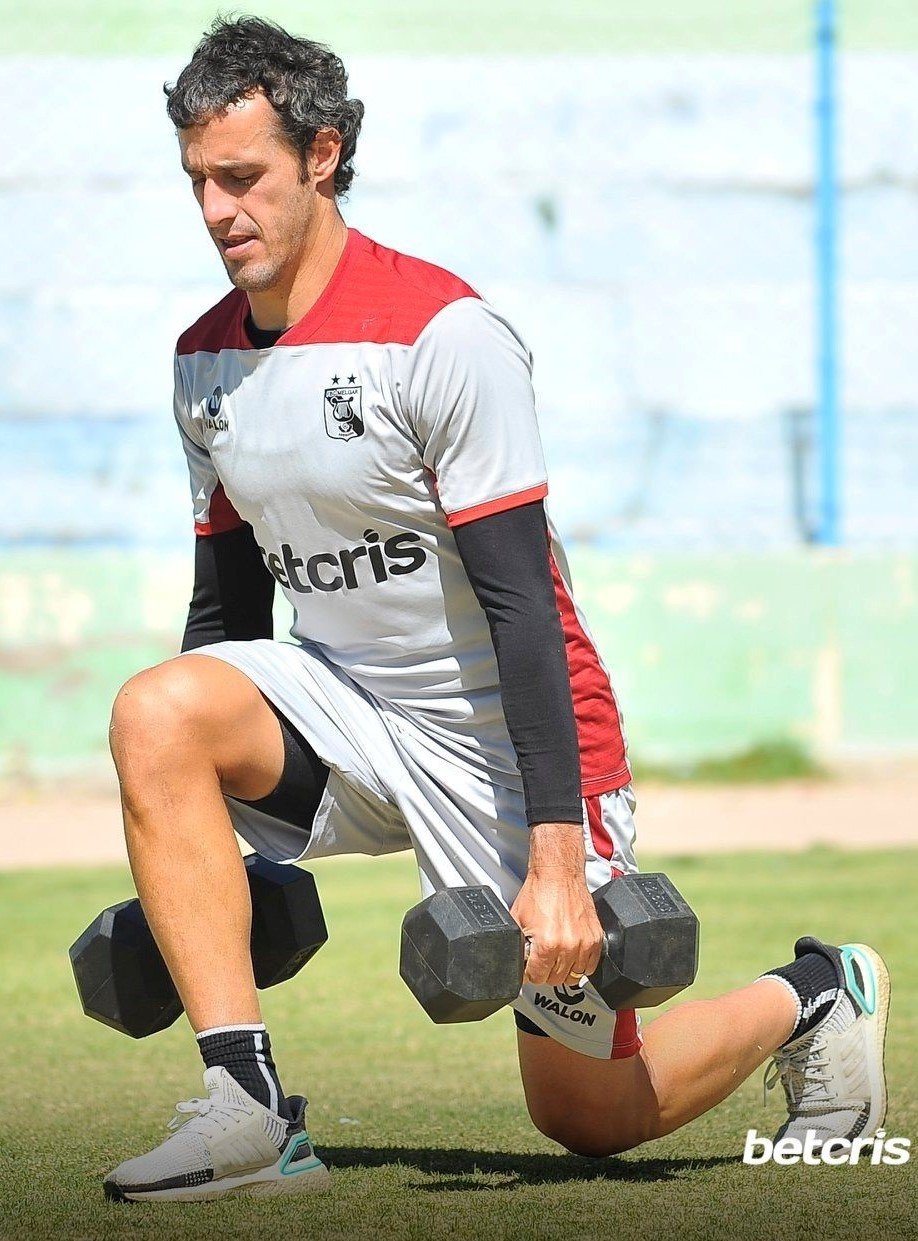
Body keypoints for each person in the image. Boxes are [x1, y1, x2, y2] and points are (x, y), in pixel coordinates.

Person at [103, 17, 890, 1202]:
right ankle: (249, 1110)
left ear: (322, 156)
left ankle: (819, 991)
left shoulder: (443, 335)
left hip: (509, 742)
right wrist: (225, 860)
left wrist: (557, 860)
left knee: (590, 1115)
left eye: (243, 176)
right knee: (157, 708)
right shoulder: (203, 362)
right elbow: (228, 609)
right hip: (349, 711)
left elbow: (524, 605)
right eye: (198, 182)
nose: (218, 210)